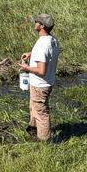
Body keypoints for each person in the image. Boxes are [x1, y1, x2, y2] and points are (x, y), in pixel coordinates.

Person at [20, 14, 60, 142]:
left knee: (42, 114)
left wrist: (26, 68)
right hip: (46, 82)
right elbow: (48, 53)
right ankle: (33, 130)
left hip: (40, 85)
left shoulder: (42, 45)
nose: (35, 22)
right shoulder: (52, 40)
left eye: (37, 21)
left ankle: (44, 141)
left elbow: (41, 71)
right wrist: (31, 54)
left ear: (42, 26)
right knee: (34, 108)